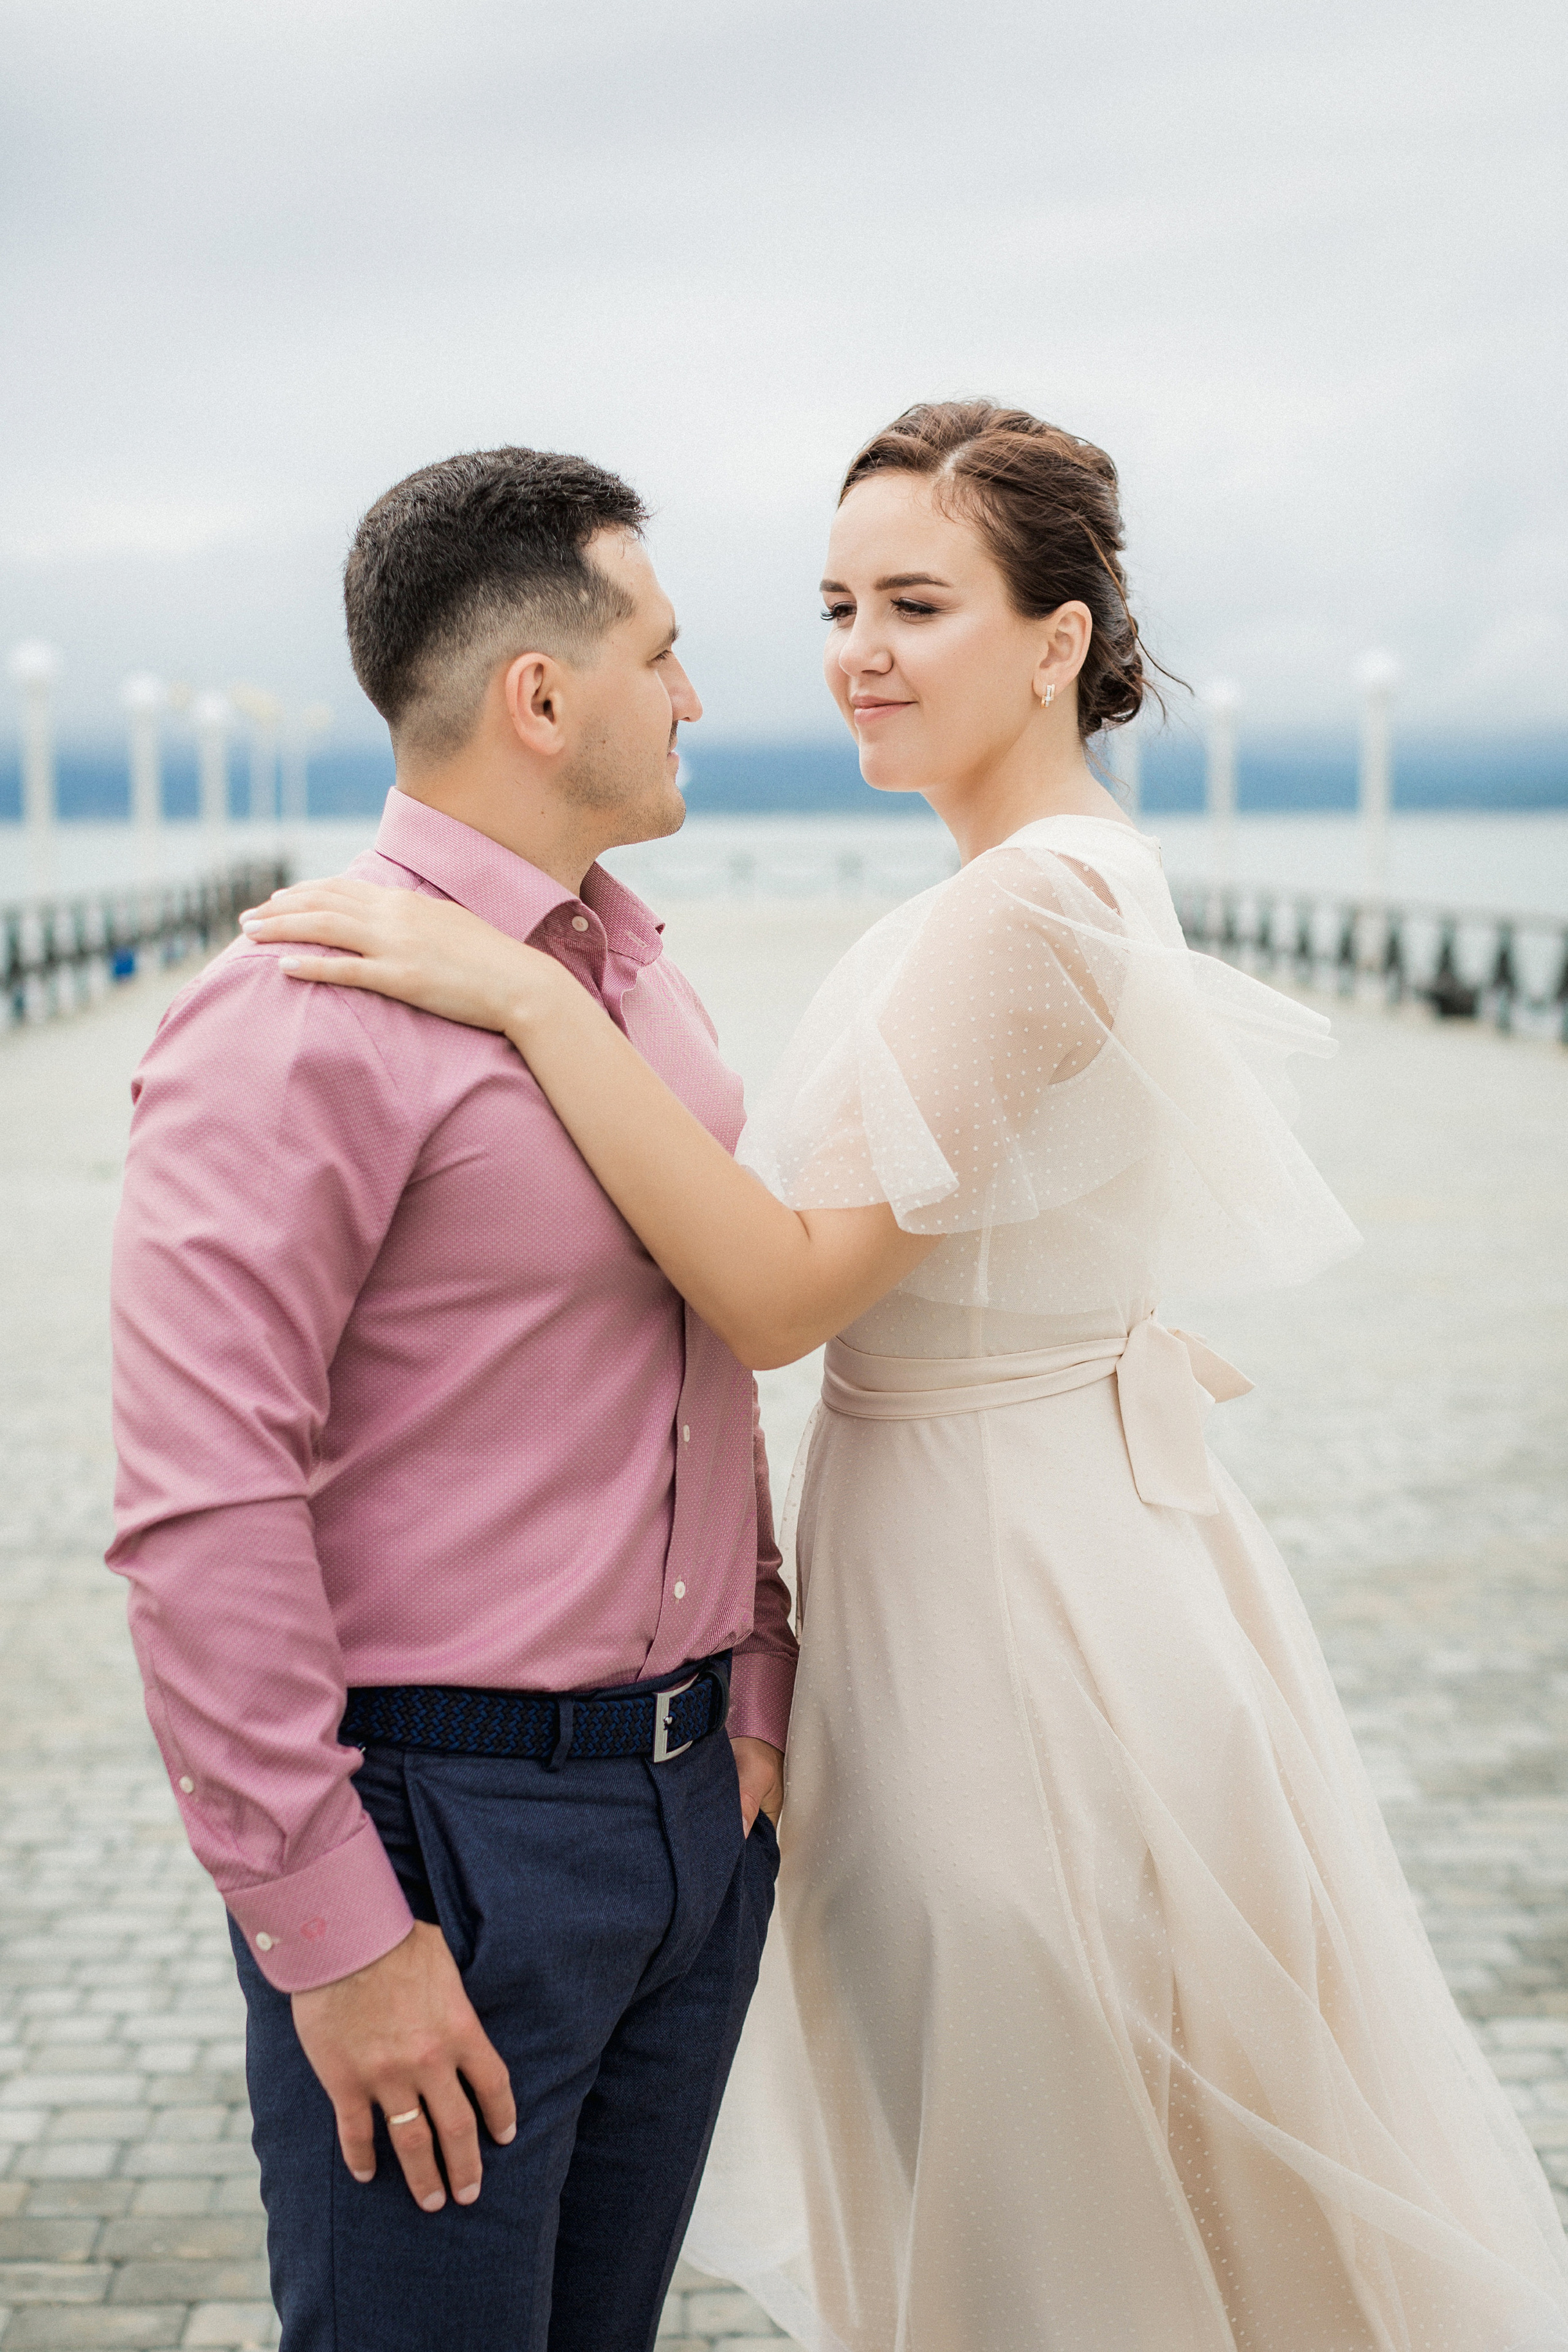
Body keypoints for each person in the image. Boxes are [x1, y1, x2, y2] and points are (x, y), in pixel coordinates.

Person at [239, 402, 1568, 2351]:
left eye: (921, 603)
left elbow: (782, 1293)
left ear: (1057, 638)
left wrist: (525, 989)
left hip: (1013, 1609)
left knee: (1048, 2165)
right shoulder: (1010, 886)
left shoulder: (1036, 906)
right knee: (1041, 2136)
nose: (859, 648)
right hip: (986, 1547)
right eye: (840, 600)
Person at [107, 447, 797, 2352]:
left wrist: (756, 1675)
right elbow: (201, 1503)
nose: (694, 696)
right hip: (444, 1839)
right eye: (664, 651)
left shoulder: (640, 990)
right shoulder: (297, 1012)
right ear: (542, 696)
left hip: (681, 1833)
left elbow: (708, 1350)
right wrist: (334, 1936)